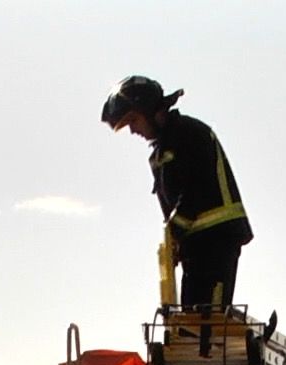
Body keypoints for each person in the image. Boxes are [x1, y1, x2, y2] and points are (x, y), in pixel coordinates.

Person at [102, 75, 253, 310]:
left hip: (217, 241)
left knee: (207, 324)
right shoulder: (162, 151)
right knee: (189, 326)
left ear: (149, 109)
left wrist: (173, 234)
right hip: (195, 247)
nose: (133, 130)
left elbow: (195, 192)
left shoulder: (189, 134)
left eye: (133, 121)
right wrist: (173, 244)